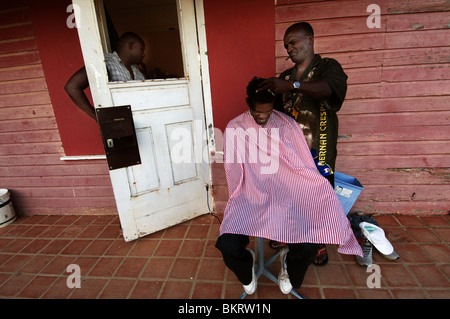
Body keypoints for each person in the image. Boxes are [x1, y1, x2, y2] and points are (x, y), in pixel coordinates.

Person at [216, 77, 361, 296]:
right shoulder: (235, 128)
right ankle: (247, 268)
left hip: (287, 194)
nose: (263, 117)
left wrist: (317, 187)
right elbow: (233, 173)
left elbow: (303, 165)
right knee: (228, 245)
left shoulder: (286, 125)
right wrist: (245, 197)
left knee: (309, 244)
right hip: (250, 194)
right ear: (249, 105)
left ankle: (288, 266)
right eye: (257, 112)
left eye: (267, 112)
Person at [258, 22, 348, 265]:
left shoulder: (328, 67)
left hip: (319, 149)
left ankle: (317, 243)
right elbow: (275, 112)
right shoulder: (285, 76)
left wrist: (291, 86)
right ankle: (291, 235)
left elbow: (329, 90)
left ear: (309, 39)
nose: (289, 48)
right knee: (289, 196)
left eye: (294, 42)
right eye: (286, 45)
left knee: (317, 197)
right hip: (289, 152)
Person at [64, 32, 146, 120]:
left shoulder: (136, 71)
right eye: (141, 49)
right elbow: (72, 87)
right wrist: (99, 118)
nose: (143, 54)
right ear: (131, 46)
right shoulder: (105, 62)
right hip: (119, 125)